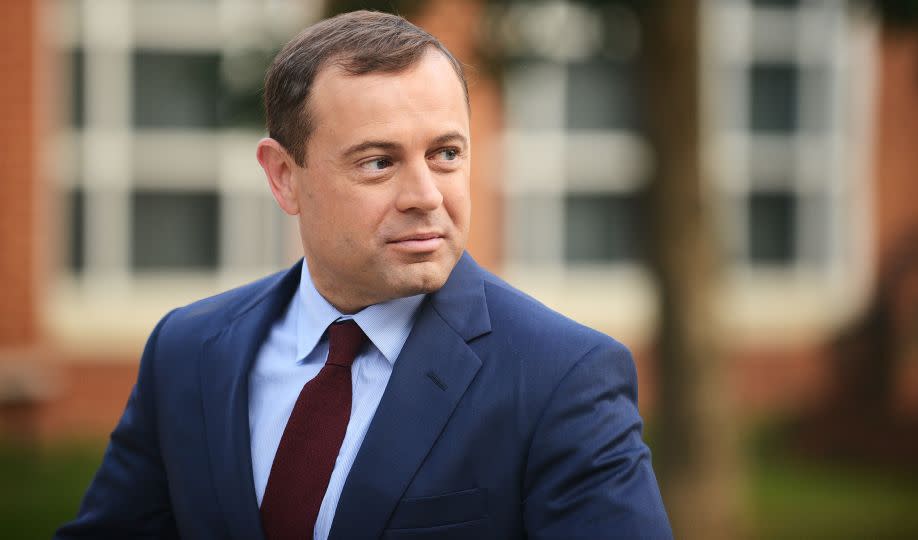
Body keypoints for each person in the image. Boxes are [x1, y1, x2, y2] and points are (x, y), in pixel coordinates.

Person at [56, 10, 671, 540]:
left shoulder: (562, 378)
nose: (426, 195)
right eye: (379, 162)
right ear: (283, 177)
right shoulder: (187, 352)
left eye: (446, 153)